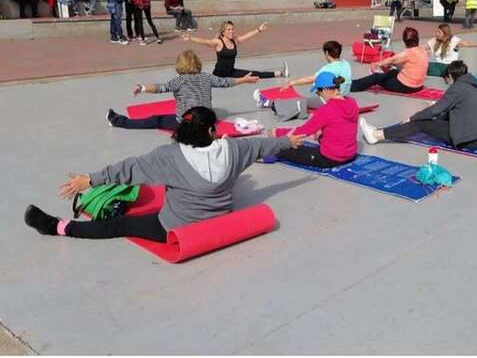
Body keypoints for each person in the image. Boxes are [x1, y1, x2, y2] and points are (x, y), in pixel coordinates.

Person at [25, 106, 303, 242]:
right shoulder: (236, 149)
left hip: (176, 225)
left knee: (120, 224)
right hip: (220, 219)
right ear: (210, 131)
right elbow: (264, 144)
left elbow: (128, 168)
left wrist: (90, 180)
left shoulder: (169, 157)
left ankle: (58, 228)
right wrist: (289, 141)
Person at [105, 50, 260, 130]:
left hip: (186, 123)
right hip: (207, 122)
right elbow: (226, 82)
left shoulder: (180, 80)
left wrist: (143, 88)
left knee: (154, 120)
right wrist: (244, 79)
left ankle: (117, 121)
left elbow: (161, 88)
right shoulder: (206, 77)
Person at [360, 60, 477, 150]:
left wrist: (413, 118)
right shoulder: (474, 86)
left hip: (472, 140)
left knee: (421, 123)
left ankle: (377, 135)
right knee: (438, 118)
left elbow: (435, 110)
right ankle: (380, 131)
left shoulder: (457, 88)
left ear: (450, 75)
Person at [268, 72, 358, 168]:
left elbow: (304, 131)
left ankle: (266, 155)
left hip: (330, 159)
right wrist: (320, 135)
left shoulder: (326, 109)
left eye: (319, 92)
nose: (319, 96)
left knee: (284, 149)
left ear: (325, 90)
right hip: (351, 154)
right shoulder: (352, 102)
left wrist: (277, 132)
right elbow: (342, 127)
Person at [183, 20, 288, 79]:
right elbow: (205, 41)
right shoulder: (218, 42)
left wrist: (259, 29)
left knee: (253, 74)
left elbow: (247, 35)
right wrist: (190, 38)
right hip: (219, 76)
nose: (231, 31)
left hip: (231, 72)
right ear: (223, 32)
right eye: (229, 29)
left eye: (233, 29)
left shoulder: (234, 40)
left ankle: (279, 73)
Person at [271, 40, 352, 109]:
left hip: (330, 100)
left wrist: (290, 83)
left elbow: (310, 79)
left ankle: (268, 103)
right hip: (344, 96)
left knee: (300, 102)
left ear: (327, 53)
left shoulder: (328, 68)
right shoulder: (346, 63)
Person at [350, 27, 427, 94]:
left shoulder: (407, 53)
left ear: (404, 40)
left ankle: (351, 86)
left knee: (376, 77)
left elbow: (392, 60)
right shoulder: (422, 50)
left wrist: (377, 64)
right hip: (418, 86)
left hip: (407, 87)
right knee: (393, 72)